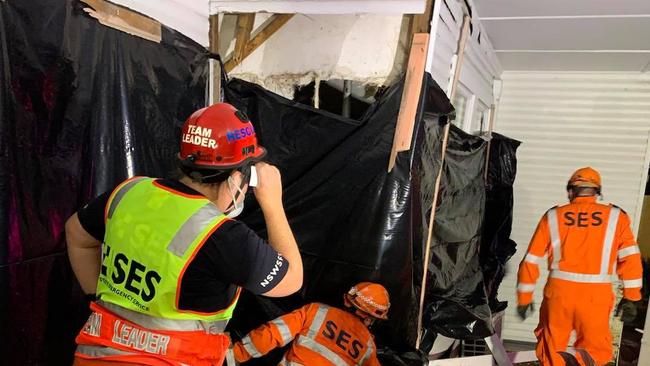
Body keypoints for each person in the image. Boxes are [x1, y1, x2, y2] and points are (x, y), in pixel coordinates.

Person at [65, 103, 303, 366]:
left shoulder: (130, 192)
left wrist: (98, 299)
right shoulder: (221, 235)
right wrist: (273, 203)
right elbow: (291, 280)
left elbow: (76, 234)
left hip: (93, 357)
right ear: (238, 176)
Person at [516, 167, 643, 366]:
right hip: (595, 297)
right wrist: (631, 297)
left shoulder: (553, 216)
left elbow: (531, 260)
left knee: (552, 347)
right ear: (597, 192)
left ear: (570, 191)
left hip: (559, 296)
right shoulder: (616, 217)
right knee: (593, 351)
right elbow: (631, 258)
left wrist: (524, 298)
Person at [230, 282, 390, 366]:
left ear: (347, 300)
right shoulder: (368, 348)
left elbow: (272, 334)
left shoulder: (316, 311)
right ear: (372, 318)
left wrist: (235, 355)